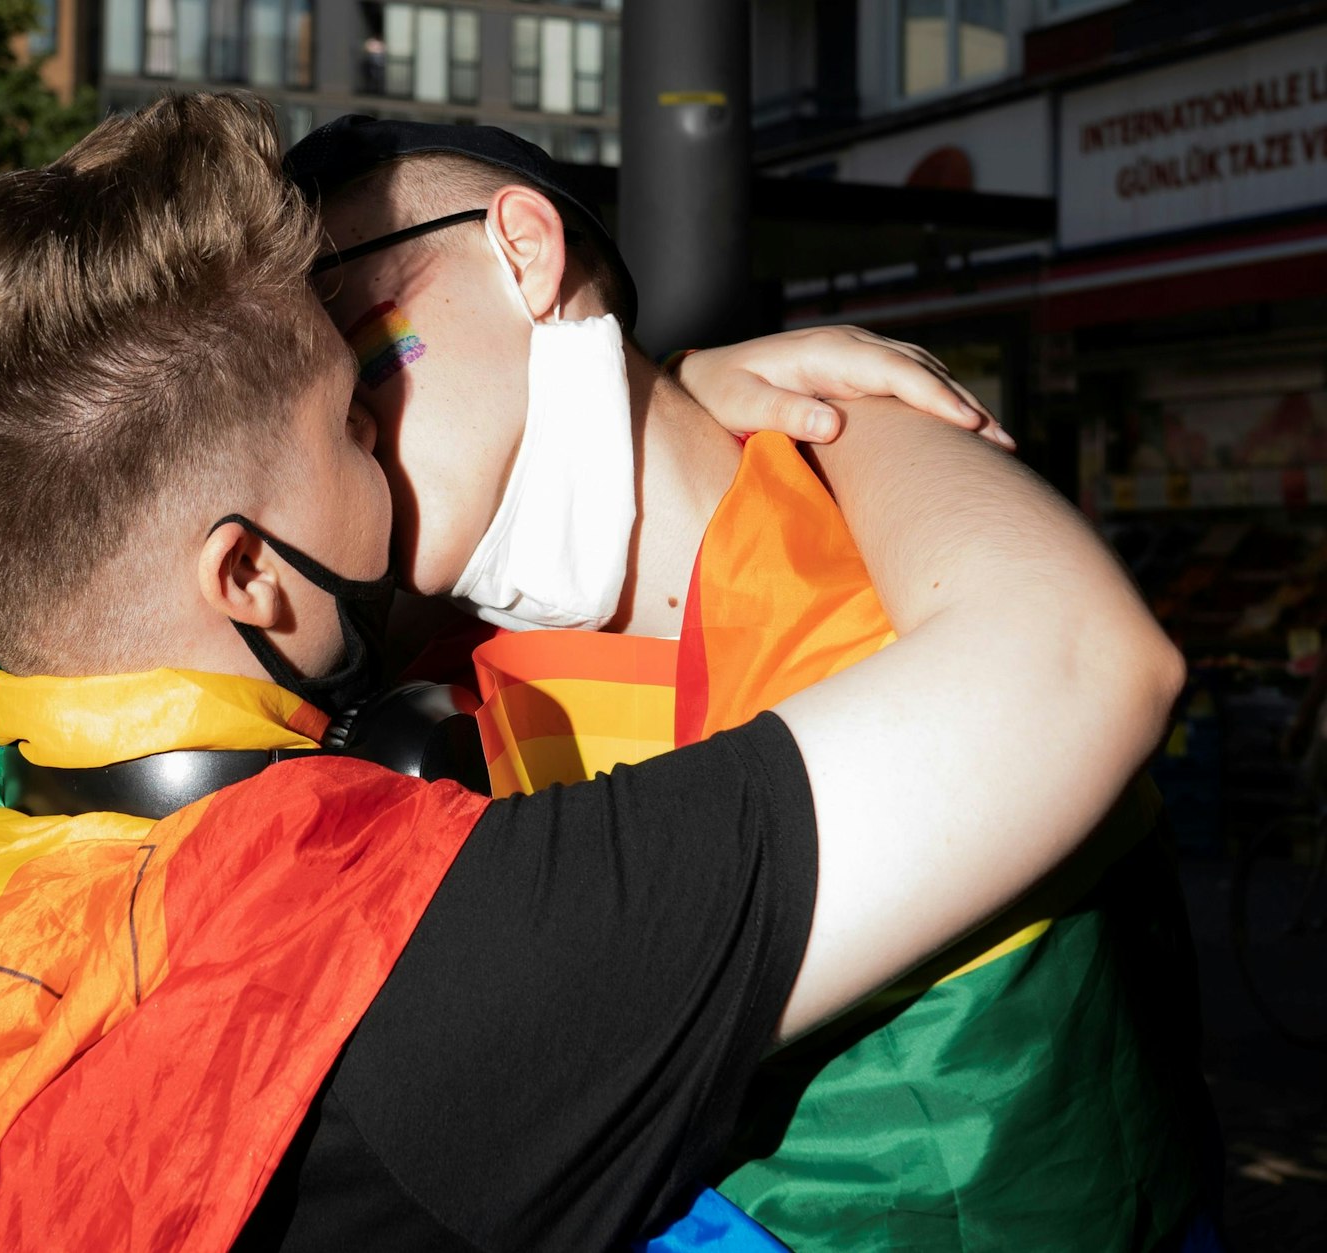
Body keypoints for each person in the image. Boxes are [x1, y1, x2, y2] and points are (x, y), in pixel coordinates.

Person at [0, 93, 1181, 1253]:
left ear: (530, 255)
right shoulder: (427, 935)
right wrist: (871, 417)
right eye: (344, 396)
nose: (368, 423)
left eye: (364, 345)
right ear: (249, 576)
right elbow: (1070, 665)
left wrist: (691, 389)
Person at [286, 116, 1218, 1251]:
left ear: (521, 250)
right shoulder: (401, 681)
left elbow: (1090, 666)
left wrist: (829, 421)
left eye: (348, 329)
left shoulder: (909, 576)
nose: (321, 404)